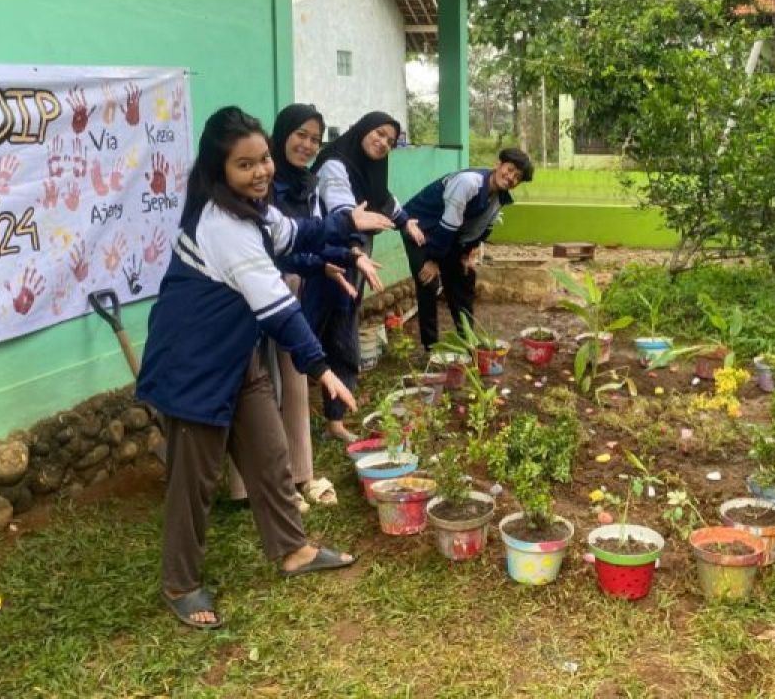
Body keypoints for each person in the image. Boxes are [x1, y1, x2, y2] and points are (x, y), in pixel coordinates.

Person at [137, 106, 392, 629]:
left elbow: (295, 235)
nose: (260, 173)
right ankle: (181, 583)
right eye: (244, 165)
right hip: (193, 364)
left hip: (235, 354)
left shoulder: (254, 207)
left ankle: (292, 550)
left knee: (271, 455)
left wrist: (345, 225)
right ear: (219, 171)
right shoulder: (222, 222)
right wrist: (322, 368)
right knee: (195, 482)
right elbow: (278, 308)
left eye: (262, 161)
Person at [226, 104, 356, 510]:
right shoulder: (258, 187)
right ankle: (252, 487)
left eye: (316, 139)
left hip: (294, 288)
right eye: (300, 134)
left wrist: (345, 255)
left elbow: (309, 235)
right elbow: (274, 248)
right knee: (257, 389)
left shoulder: (306, 184)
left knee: (295, 382)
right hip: (253, 293)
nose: (307, 144)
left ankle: (301, 475)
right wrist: (322, 260)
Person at [307, 112, 424, 443]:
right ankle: (292, 423)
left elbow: (384, 199)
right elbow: (344, 211)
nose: (384, 142)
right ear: (362, 129)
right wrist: (357, 249)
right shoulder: (335, 163)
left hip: (354, 265)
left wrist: (406, 223)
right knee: (306, 335)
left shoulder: (370, 171)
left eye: (390, 139)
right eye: (380, 133)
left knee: (344, 333)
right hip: (322, 264)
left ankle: (335, 421)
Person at [401, 148, 534, 350]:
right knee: (428, 281)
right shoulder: (469, 182)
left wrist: (465, 254)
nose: (510, 178)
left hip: (447, 233)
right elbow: (449, 224)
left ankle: (467, 342)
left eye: (517, 177)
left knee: (463, 279)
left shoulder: (499, 197)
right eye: (510, 169)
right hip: (420, 227)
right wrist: (434, 260)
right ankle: (431, 347)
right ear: (498, 164)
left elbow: (481, 228)